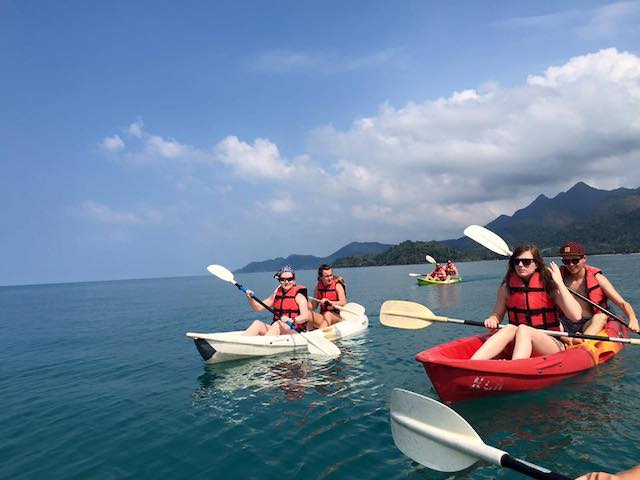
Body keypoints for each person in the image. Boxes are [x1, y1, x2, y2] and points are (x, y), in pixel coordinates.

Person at [470, 244, 582, 360]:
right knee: (509, 328)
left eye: (526, 262)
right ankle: (473, 363)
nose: (520, 265)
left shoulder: (549, 286)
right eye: (516, 262)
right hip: (518, 341)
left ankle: (514, 368)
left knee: (523, 329)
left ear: (537, 264)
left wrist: (559, 283)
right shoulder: (507, 287)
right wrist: (493, 319)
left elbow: (576, 316)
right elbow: (497, 314)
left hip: (550, 342)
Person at [558, 242, 639, 338]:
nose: (571, 264)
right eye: (566, 261)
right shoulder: (558, 278)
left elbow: (622, 303)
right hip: (565, 322)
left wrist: (633, 319)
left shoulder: (597, 278)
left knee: (601, 317)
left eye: (575, 260)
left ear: (584, 258)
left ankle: (582, 340)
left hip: (589, 322)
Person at [243, 265, 311, 336]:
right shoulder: (276, 295)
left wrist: (292, 320)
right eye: (283, 279)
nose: (286, 282)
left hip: (295, 331)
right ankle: (242, 343)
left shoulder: (299, 297)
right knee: (257, 324)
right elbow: (258, 308)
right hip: (277, 329)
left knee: (278, 323)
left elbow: (305, 316)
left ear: (294, 280)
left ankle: (265, 343)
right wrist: (250, 298)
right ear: (279, 280)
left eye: (289, 279)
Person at [308, 264, 347, 329]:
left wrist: (329, 302)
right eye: (326, 276)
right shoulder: (318, 288)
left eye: (331, 275)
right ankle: (308, 333)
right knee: (308, 314)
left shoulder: (337, 286)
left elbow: (343, 302)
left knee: (328, 314)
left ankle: (318, 335)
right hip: (324, 317)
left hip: (337, 318)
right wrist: (304, 303)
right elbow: (314, 306)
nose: (330, 278)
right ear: (321, 277)